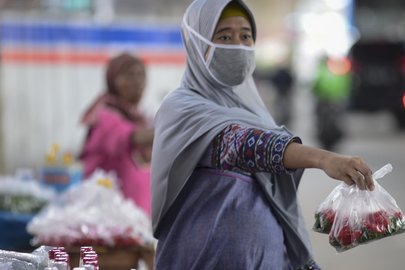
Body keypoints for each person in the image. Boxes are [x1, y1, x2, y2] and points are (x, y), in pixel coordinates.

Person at [150, 1, 374, 269]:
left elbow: (279, 208)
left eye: (245, 36)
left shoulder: (256, 113)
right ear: (196, 43)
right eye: (224, 36)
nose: (238, 46)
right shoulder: (182, 107)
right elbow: (242, 145)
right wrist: (323, 159)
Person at [80, 52, 153, 216]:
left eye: (141, 75)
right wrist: (173, 129)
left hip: (135, 218)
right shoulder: (104, 115)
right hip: (107, 218)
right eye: (129, 75)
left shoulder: (141, 118)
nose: (137, 81)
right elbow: (132, 137)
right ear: (113, 80)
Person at [312, 55, 351, 150]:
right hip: (337, 100)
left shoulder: (322, 71)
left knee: (321, 119)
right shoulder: (340, 70)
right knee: (338, 119)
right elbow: (346, 85)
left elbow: (316, 86)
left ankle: (324, 136)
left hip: (325, 100)